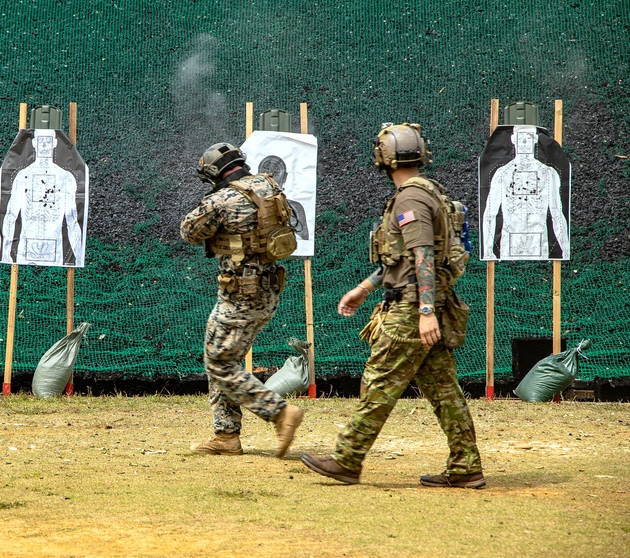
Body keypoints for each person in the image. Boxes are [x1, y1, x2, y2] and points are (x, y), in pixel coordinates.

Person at [298, 124, 485, 488]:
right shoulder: (431, 193)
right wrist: (365, 288)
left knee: (379, 383)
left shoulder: (410, 199)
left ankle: (347, 459)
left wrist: (425, 312)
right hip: (424, 304)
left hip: (411, 310)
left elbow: (423, 257)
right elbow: (399, 261)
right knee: (444, 390)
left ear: (383, 158)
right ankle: (466, 467)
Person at [181, 142, 304, 457]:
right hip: (267, 290)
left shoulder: (222, 199)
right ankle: (226, 436)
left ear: (214, 172)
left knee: (219, 362)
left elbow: (189, 231)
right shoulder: (268, 186)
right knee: (222, 357)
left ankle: (278, 412)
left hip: (240, 296)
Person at [482, 125, 569, 260]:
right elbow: (489, 213)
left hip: (539, 245)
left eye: (527, 138)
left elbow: (557, 214)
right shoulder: (502, 174)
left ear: (534, 140)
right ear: (513, 139)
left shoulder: (548, 173)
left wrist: (565, 250)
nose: (523, 142)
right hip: (508, 246)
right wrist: (487, 250)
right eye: (520, 137)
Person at [0, 129, 84, 267]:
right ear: (34, 143)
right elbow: (10, 215)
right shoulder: (23, 176)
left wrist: (79, 258)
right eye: (41, 140)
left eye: (48, 141)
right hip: (25, 249)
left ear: (54, 143)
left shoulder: (65, 178)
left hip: (54, 251)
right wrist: (5, 253)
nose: (44, 145)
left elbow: (72, 220)